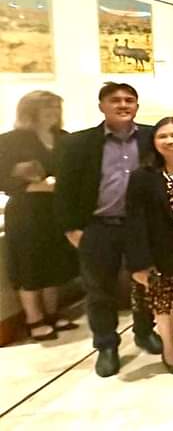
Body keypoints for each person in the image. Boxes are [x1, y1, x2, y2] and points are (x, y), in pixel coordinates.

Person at [55, 82, 162, 377]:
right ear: (101, 106)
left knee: (146, 285)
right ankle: (106, 345)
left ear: (137, 106)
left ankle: (145, 331)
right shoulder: (78, 143)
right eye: (115, 100)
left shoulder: (152, 137)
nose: (123, 105)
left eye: (129, 100)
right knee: (98, 289)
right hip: (99, 227)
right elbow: (64, 190)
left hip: (141, 227)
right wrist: (71, 229)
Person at [126, 117, 173, 374]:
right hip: (160, 250)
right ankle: (169, 349)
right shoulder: (143, 176)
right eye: (163, 136)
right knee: (163, 302)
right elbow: (134, 221)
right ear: (154, 142)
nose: (170, 141)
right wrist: (139, 262)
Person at [0, 91, 78, 341]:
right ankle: (34, 319)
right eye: (47, 107)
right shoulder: (10, 140)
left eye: (55, 107)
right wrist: (35, 186)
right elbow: (3, 178)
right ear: (30, 110)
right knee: (30, 267)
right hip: (27, 210)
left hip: (56, 209)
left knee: (54, 264)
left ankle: (52, 314)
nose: (52, 112)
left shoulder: (63, 137)